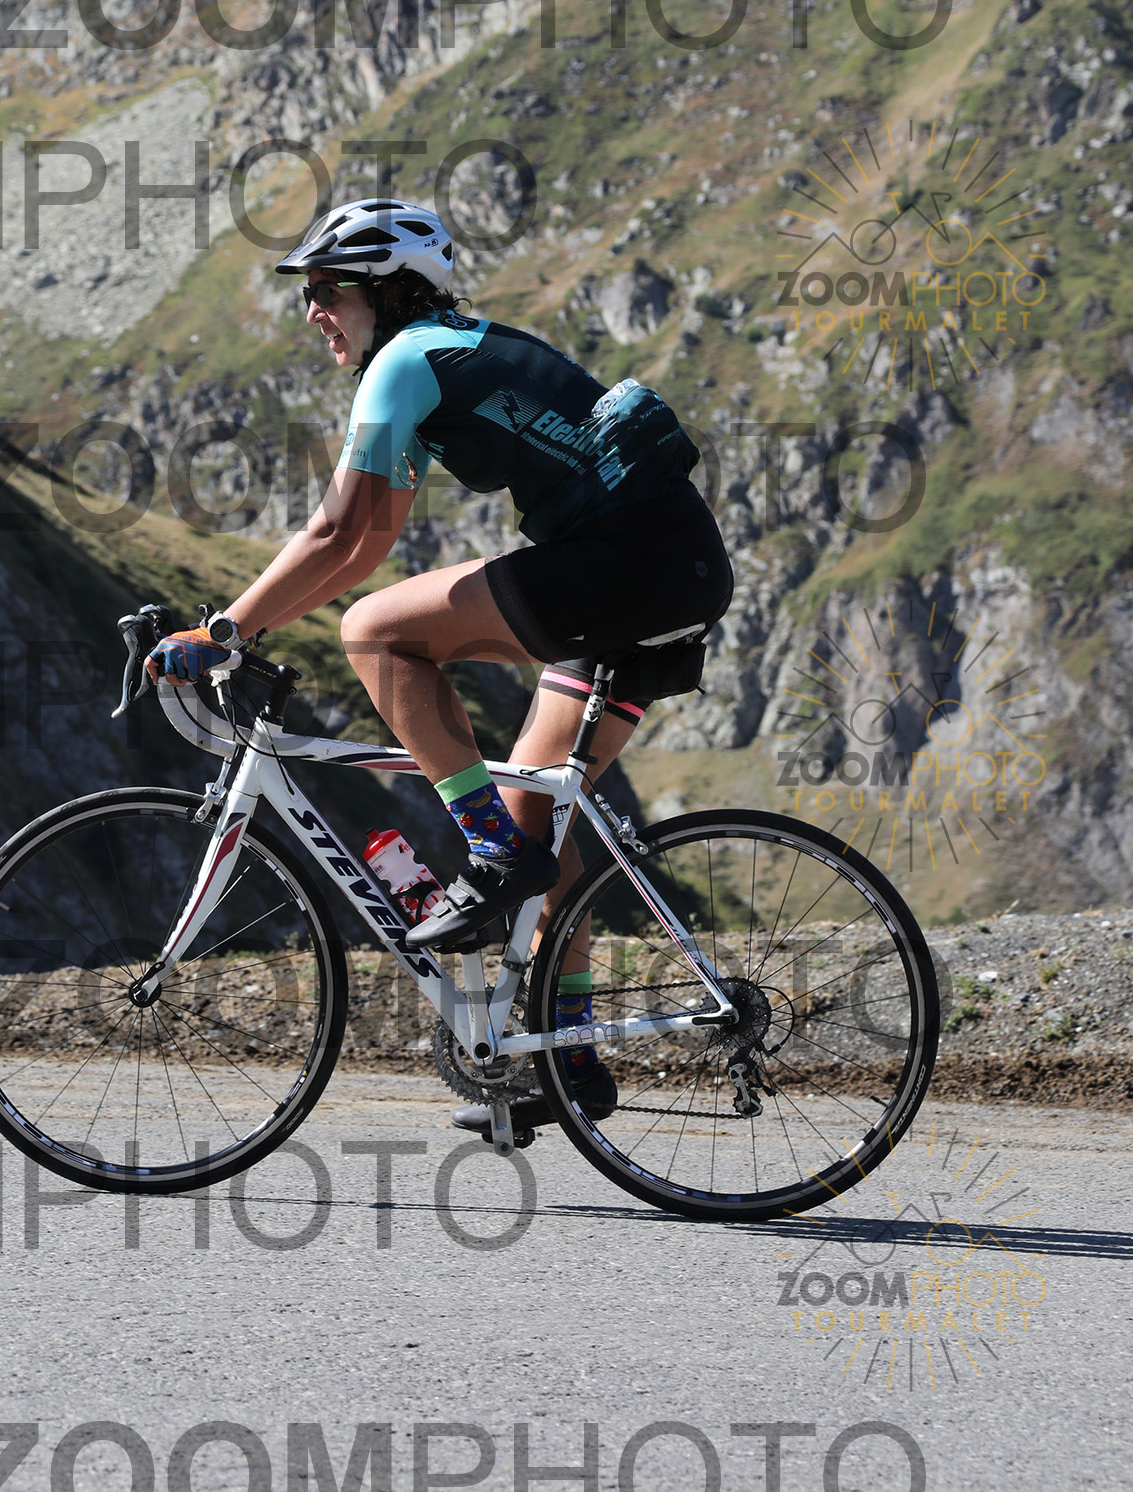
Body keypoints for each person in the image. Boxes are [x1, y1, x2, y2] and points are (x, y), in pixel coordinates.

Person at [147, 197, 734, 1121]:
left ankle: (490, 851)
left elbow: (333, 533)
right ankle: (570, 1065)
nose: (314, 311)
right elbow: (364, 543)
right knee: (537, 810)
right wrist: (247, 629)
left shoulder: (406, 360)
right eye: (308, 293)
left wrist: (220, 633)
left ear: (388, 290)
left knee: (373, 635)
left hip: (633, 569)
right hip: (669, 572)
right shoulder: (445, 357)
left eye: (329, 289)